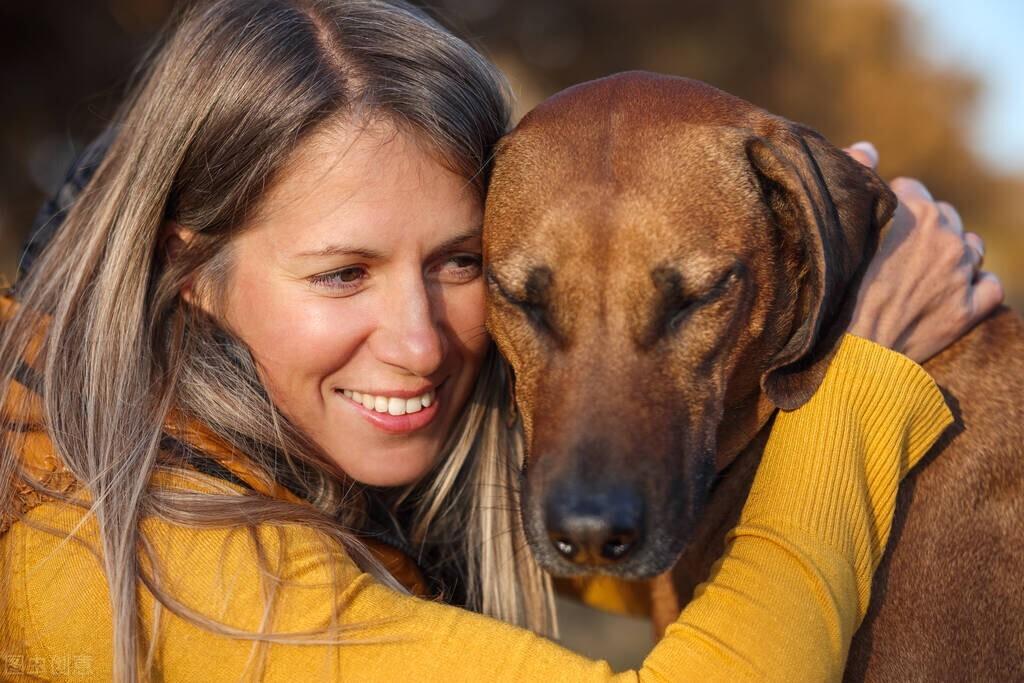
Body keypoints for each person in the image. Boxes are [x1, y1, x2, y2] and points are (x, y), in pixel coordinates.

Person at [0, 1, 1002, 681]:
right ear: (191, 269)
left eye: (458, 263)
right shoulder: (125, 554)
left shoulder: (256, 429)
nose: (421, 343)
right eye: (341, 271)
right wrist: (862, 373)